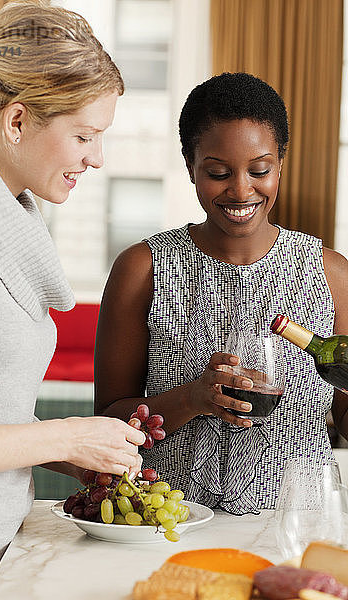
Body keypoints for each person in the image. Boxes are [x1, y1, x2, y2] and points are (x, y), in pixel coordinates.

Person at [0, 2, 145, 598]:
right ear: (17, 122)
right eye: (83, 135)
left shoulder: (5, 211)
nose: (97, 158)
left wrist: (69, 457)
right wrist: (65, 437)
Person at [95, 72, 348, 516]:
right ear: (190, 163)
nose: (241, 190)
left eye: (260, 170)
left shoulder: (331, 274)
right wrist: (192, 398)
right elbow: (107, 425)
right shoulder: (143, 268)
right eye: (218, 172)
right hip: (166, 521)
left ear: (281, 163)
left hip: (297, 525)